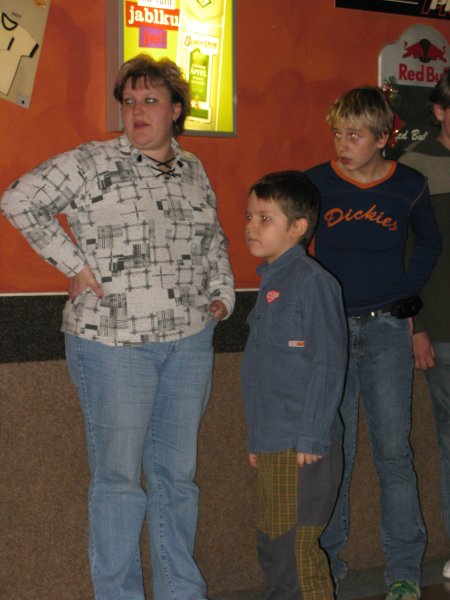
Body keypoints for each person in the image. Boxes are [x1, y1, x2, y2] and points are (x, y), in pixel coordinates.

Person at [1, 54, 235, 600]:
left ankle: (181, 592)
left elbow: (213, 240)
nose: (137, 111)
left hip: (188, 341)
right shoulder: (92, 161)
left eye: (150, 100)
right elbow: (18, 199)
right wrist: (74, 265)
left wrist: (223, 295)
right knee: (119, 482)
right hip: (112, 344)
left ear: (176, 110)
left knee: (177, 479)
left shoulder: (193, 169)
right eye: (129, 102)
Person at [305, 86, 441, 600]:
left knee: (393, 453)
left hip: (387, 330)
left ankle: (403, 568)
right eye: (338, 133)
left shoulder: (408, 185)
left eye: (355, 135)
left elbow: (429, 241)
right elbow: (291, 244)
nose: (343, 143)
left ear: (383, 138)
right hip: (332, 331)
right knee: (333, 451)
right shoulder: (316, 183)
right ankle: (329, 560)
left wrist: (409, 291)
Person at [240, 170, 348, 599]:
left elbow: (327, 362)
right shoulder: (272, 282)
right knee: (274, 547)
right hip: (273, 440)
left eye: (265, 218)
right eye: (249, 216)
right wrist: (257, 436)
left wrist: (314, 435)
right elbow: (260, 371)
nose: (251, 226)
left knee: (297, 552)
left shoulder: (311, 281)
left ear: (298, 227)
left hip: (303, 443)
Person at [398, 71, 450, 580]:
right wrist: (414, 325)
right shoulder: (414, 168)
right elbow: (407, 254)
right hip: (442, 328)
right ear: (438, 110)